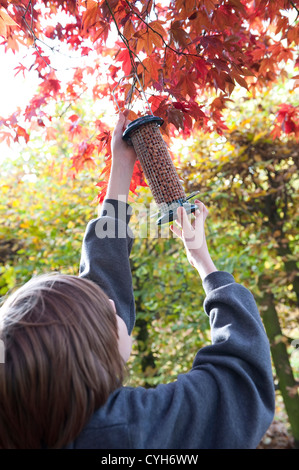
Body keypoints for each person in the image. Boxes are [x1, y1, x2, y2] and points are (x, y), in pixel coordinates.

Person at [0, 112, 275, 449]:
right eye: (105, 313)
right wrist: (205, 265)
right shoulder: (131, 430)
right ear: (89, 362)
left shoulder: (31, 420)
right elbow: (240, 384)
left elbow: (99, 287)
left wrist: (122, 167)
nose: (112, 301)